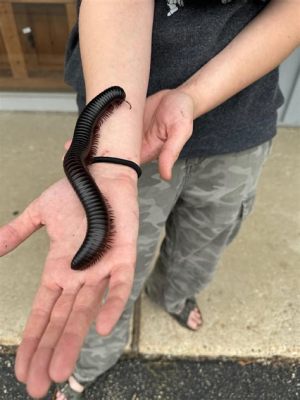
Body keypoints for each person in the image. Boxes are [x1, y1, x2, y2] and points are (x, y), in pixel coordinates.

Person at [0, 0, 299, 398]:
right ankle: (94, 358)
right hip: (128, 139)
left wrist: (192, 97)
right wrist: (113, 159)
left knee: (204, 241)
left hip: (240, 124)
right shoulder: (116, 133)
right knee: (114, 270)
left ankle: (173, 293)